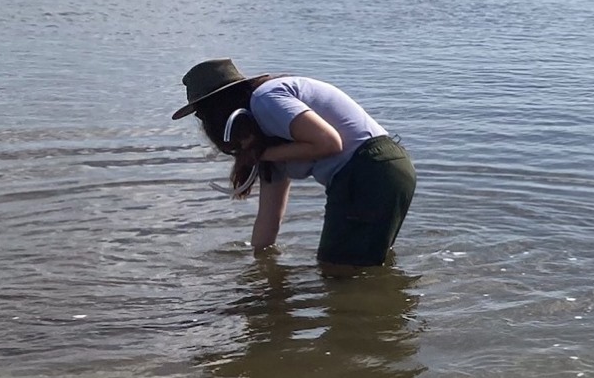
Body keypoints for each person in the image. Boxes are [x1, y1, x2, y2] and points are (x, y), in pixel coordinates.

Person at [173, 59, 417, 267]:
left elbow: (329, 142)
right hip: (387, 169)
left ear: (220, 111)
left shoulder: (266, 99)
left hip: (369, 169)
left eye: (204, 116)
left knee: (337, 271)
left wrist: (260, 155)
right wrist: (259, 266)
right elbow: (269, 220)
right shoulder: (270, 139)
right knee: (365, 266)